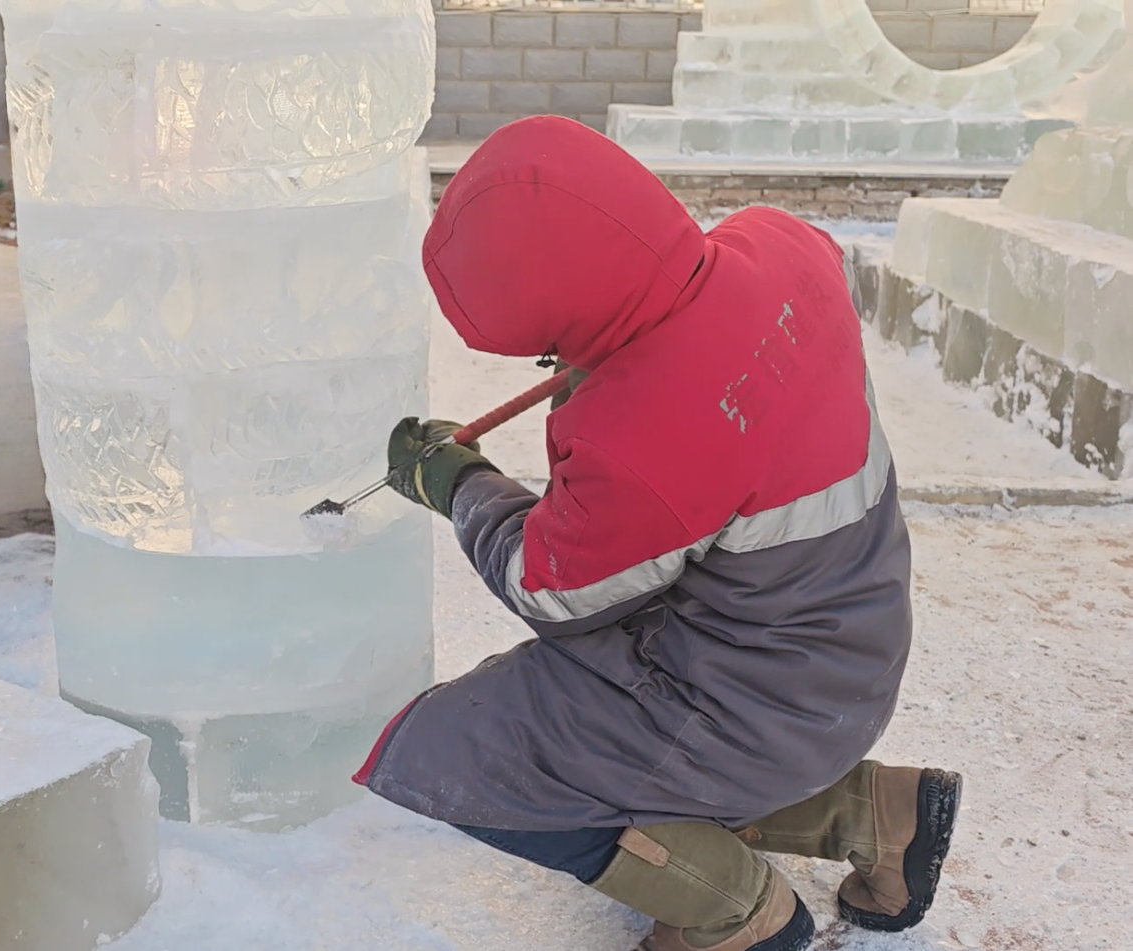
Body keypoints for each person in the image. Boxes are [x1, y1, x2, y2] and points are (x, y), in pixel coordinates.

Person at [353, 116, 961, 951]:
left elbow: (549, 587)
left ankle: (736, 911)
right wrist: (616, 345)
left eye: (548, 342)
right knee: (609, 720)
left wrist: (458, 482)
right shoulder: (779, 244)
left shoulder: (643, 437)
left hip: (763, 703)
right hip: (841, 652)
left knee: (474, 750)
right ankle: (874, 815)